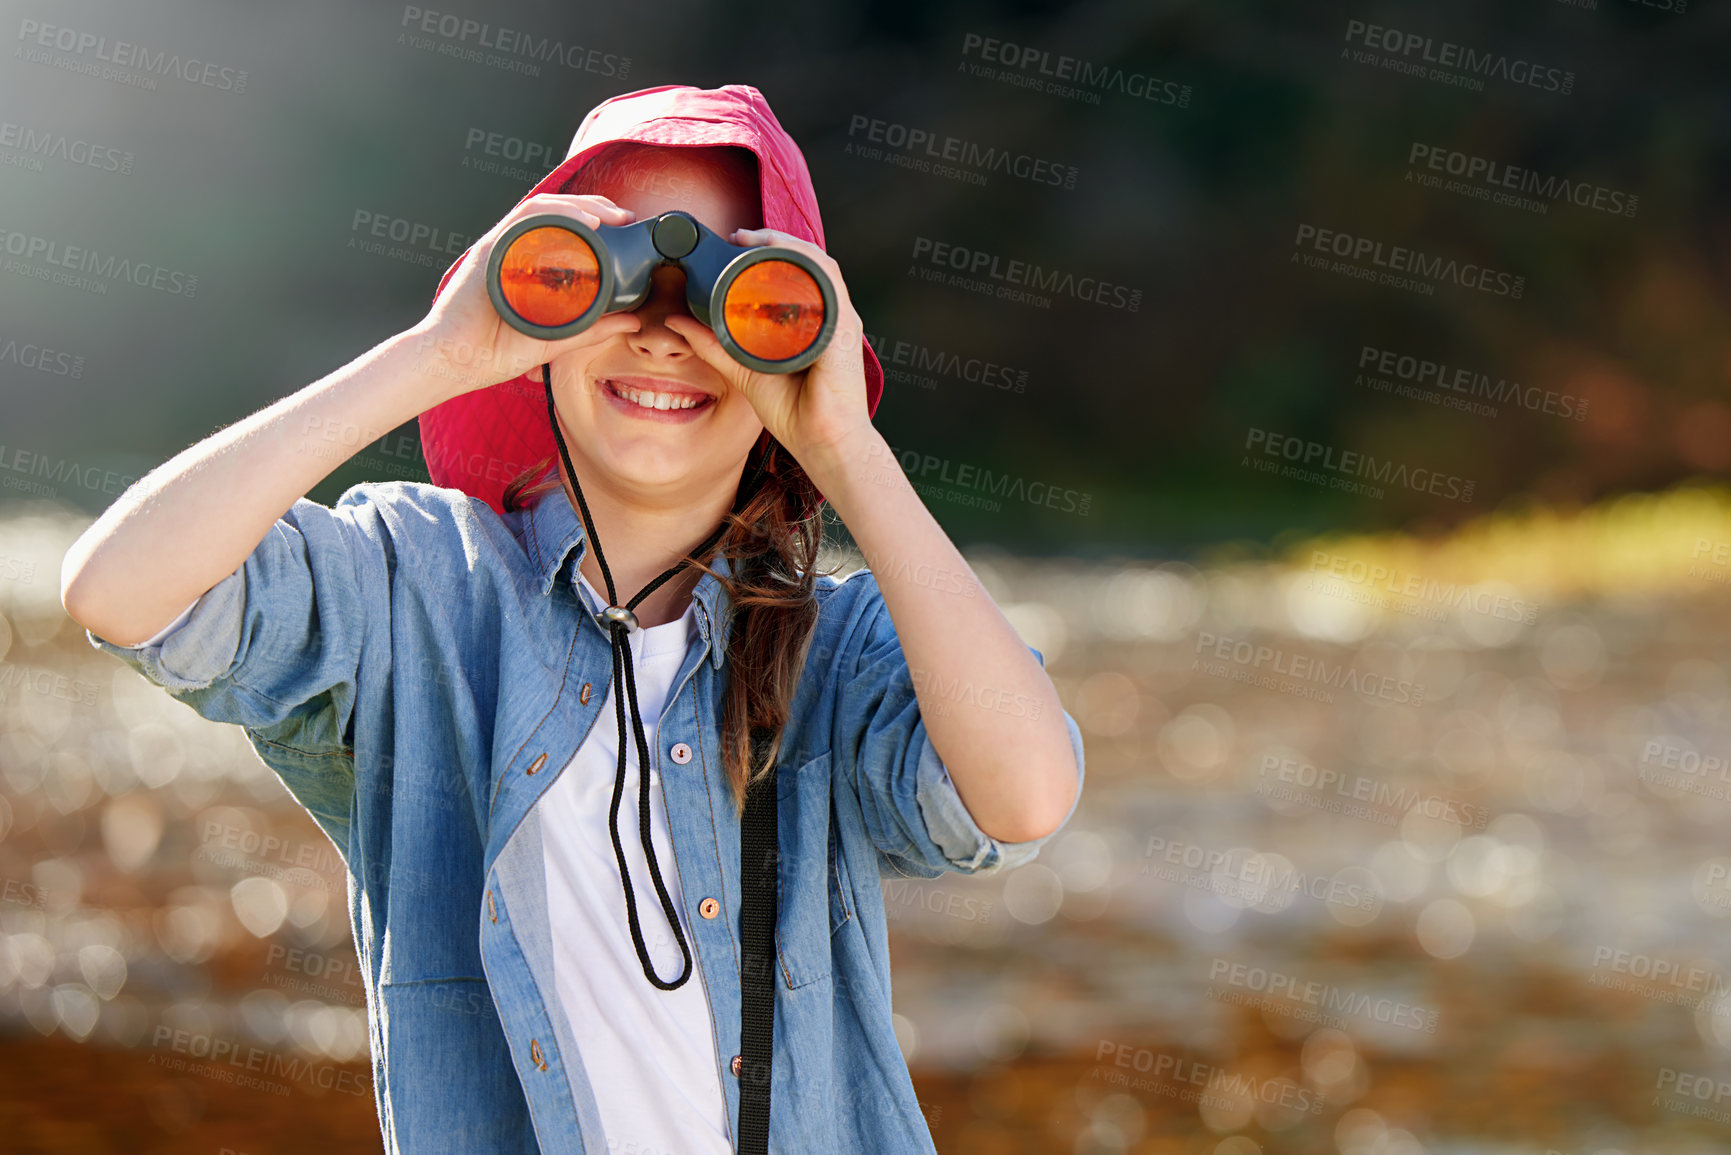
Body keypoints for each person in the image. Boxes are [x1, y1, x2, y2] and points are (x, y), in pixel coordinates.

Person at [60, 83, 1085, 1155]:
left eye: (735, 301)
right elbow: (124, 591)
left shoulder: (836, 650)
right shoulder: (416, 593)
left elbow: (1022, 797)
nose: (664, 335)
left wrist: (842, 446)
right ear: (537, 308)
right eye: (603, 275)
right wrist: (442, 354)